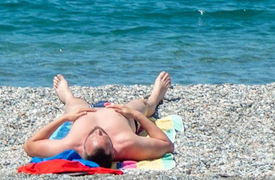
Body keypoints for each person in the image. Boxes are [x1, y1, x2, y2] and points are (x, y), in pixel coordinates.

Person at [23, 72, 175, 168]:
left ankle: (67, 96)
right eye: (103, 136)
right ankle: (155, 97)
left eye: (94, 136)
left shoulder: (71, 145)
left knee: (72, 102)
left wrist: (65, 118)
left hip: (81, 112)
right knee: (144, 105)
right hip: (124, 113)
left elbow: (30, 145)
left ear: (83, 149)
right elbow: (166, 144)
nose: (98, 131)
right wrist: (136, 116)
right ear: (113, 150)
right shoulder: (127, 144)